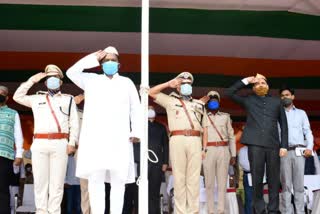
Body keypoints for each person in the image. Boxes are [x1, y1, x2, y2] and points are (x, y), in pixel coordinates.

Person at [66, 46, 142, 213]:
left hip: (119, 139)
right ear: (100, 64)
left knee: (118, 182)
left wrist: (136, 131)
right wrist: (92, 58)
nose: (109, 63)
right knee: (95, 182)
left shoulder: (126, 82)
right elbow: (71, 72)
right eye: (106, 60)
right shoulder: (91, 80)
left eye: (113, 60)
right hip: (96, 139)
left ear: (119, 65)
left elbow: (136, 108)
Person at [13, 65, 79, 214]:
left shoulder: (68, 100)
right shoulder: (36, 98)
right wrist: (32, 80)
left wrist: (72, 142)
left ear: (61, 82)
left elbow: (74, 124)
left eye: (55, 77)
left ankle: (54, 212)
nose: (52, 80)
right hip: (40, 143)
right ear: (45, 81)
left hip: (60, 143)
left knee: (57, 184)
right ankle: (41, 211)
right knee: (40, 183)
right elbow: (17, 96)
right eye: (49, 78)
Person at [226, 74, 288, 214]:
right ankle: (259, 210)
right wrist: (246, 80)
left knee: (273, 180)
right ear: (253, 87)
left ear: (268, 86)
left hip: (273, 145)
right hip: (255, 145)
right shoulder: (249, 100)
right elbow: (229, 92)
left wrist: (284, 145)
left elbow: (284, 125)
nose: (261, 85)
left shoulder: (277, 102)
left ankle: (273, 210)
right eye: (258, 83)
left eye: (263, 83)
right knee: (257, 179)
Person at [149, 72, 208, 214]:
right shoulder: (170, 100)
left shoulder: (200, 104)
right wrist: (168, 84)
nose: (186, 85)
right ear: (177, 87)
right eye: (182, 83)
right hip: (177, 139)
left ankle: (193, 211)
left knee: (194, 180)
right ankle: (180, 211)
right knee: (179, 178)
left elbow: (205, 129)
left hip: (195, 140)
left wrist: (204, 149)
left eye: (188, 83)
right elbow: (151, 92)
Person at [279, 86, 314, 214]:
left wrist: (309, 148)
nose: (285, 97)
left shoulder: (301, 113)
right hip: (283, 152)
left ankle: (300, 212)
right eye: (282, 95)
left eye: (287, 95)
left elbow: (308, 132)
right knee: (286, 186)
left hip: (299, 151)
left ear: (293, 97)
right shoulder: (277, 114)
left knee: (299, 186)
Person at [201, 90, 236, 214]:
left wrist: (233, 155)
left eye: (216, 99)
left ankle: (221, 211)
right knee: (209, 183)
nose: (213, 101)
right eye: (211, 99)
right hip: (208, 150)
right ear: (208, 101)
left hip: (223, 150)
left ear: (219, 101)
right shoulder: (202, 116)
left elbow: (231, 137)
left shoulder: (226, 116)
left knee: (222, 183)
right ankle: (210, 211)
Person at [0, 85, 24, 214]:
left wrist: (19, 154)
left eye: (2, 93)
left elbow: (18, 135)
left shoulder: (13, 113)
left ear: (7, 97)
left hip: (5, 156)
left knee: (2, 189)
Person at [147, 105, 169, 214]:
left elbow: (165, 145)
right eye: (148, 109)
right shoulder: (139, 126)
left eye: (152, 109)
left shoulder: (161, 127)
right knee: (140, 191)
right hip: (142, 163)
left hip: (157, 163)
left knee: (154, 191)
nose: (150, 111)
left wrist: (165, 162)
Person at [238, 146, 253, 214]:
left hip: (259, 175)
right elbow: (242, 163)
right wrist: (255, 167)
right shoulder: (242, 150)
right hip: (248, 175)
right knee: (249, 199)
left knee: (259, 199)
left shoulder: (259, 148)